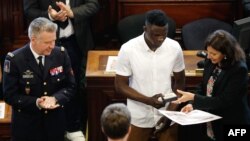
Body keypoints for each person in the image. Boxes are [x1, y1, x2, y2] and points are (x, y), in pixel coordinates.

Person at [23, 0, 99, 140]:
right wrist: (50, 17)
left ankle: (73, 127)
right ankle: (51, 129)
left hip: (76, 42)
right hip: (45, 44)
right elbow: (29, 10)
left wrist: (72, 12)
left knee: (74, 85)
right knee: (47, 85)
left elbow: (93, 4)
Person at [114, 9, 185, 141]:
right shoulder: (128, 49)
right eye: (155, 35)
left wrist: (171, 110)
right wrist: (148, 100)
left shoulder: (174, 48)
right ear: (145, 28)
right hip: (138, 115)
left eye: (164, 34)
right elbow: (120, 85)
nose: (160, 39)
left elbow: (180, 82)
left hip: (167, 113)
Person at [2, 17, 76, 141]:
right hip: (27, 128)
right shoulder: (15, 60)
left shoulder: (61, 54)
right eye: (47, 42)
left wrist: (55, 98)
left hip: (55, 126)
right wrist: (37, 102)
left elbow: (71, 86)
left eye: (54, 41)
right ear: (33, 39)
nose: (52, 46)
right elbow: (9, 95)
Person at [173, 29, 250, 141]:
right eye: (208, 52)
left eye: (213, 53)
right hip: (211, 121)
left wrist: (194, 97)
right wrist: (192, 104)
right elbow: (203, 86)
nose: (209, 56)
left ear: (226, 53)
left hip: (232, 123)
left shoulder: (239, 69)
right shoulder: (210, 61)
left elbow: (224, 101)